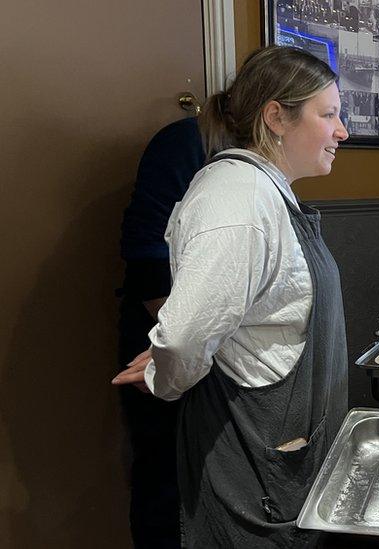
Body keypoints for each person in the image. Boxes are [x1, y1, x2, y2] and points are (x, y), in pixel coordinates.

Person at [112, 46, 350, 547]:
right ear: (276, 117)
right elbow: (183, 339)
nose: (341, 131)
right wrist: (163, 372)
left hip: (284, 448)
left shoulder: (268, 191)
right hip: (253, 449)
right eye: (328, 115)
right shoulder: (236, 200)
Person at [117, 117, 205, 548]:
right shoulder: (186, 143)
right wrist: (175, 342)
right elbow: (148, 260)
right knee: (165, 472)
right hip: (161, 331)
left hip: (205, 341)